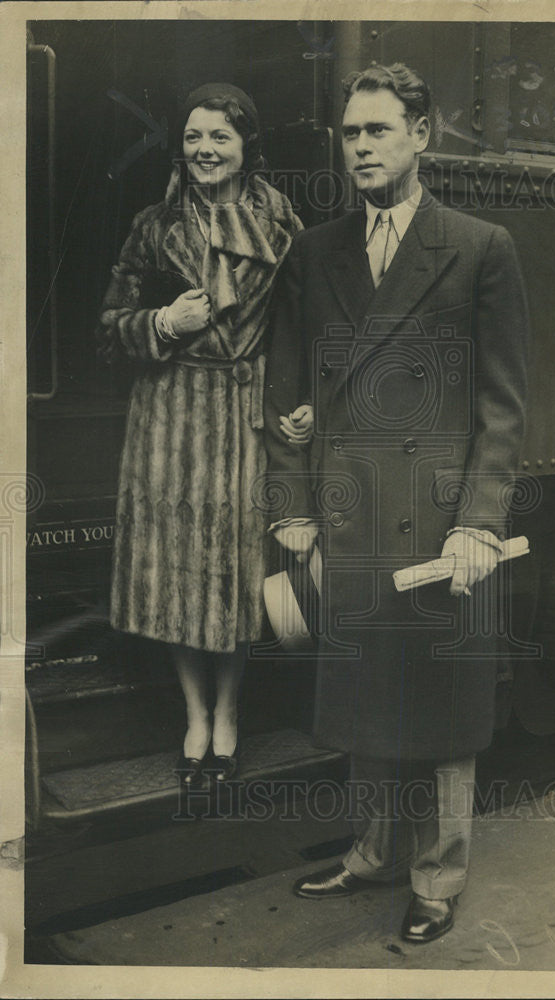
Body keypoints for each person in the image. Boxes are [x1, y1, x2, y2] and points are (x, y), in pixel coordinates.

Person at [264, 63, 529, 943]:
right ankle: (372, 854)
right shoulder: (316, 250)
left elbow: (500, 407)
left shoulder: (480, 245)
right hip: (348, 516)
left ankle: (437, 876)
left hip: (440, 524)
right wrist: (292, 511)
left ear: (423, 134)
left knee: (445, 708)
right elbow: (286, 398)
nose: (363, 147)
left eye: (379, 130)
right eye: (351, 133)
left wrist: (478, 522)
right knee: (362, 697)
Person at [97, 83, 309, 786]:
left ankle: (230, 712)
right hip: (169, 417)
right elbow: (107, 330)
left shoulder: (282, 224)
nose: (204, 150)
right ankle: (196, 714)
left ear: (246, 146)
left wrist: (301, 403)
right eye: (192, 137)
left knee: (235, 575)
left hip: (244, 413)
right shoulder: (154, 225)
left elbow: (305, 329)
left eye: (219, 137)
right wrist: (162, 324)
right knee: (178, 577)